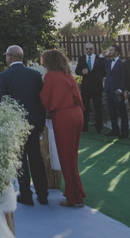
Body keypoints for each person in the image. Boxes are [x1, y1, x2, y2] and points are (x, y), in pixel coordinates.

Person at [0, 45, 48, 206]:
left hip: (15, 125)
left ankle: (26, 194)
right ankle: (43, 194)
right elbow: (41, 102)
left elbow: (1, 104)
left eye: (6, 55)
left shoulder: (4, 76)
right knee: (36, 158)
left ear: (10, 56)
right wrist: (40, 124)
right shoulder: (35, 75)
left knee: (20, 160)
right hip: (33, 124)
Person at [40, 48, 86, 208]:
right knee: (72, 156)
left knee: (65, 157)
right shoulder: (68, 74)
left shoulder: (51, 76)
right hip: (77, 114)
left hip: (64, 116)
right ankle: (75, 190)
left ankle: (74, 198)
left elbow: (46, 100)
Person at [74, 42, 105, 133]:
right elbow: (77, 71)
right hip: (85, 87)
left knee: (98, 107)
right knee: (85, 107)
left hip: (97, 86)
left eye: (90, 49)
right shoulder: (82, 59)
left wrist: (98, 76)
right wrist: (82, 72)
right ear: (85, 49)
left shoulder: (99, 59)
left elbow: (104, 72)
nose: (89, 50)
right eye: (87, 49)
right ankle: (84, 127)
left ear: (93, 49)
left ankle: (99, 127)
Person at [103, 45, 129, 138]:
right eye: (109, 49)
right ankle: (115, 130)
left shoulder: (122, 64)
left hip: (118, 92)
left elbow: (124, 78)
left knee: (122, 112)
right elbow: (98, 63)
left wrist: (121, 89)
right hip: (109, 91)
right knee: (112, 111)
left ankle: (124, 132)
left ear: (117, 52)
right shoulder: (107, 62)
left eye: (111, 50)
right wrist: (103, 55)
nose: (109, 51)